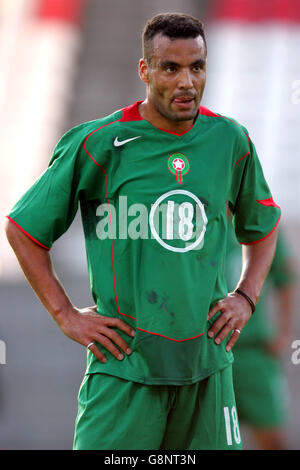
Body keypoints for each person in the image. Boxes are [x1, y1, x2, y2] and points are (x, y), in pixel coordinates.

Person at [5, 13, 281, 450]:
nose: (187, 81)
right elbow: (24, 229)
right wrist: (65, 314)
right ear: (145, 70)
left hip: (207, 368)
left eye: (197, 66)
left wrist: (245, 295)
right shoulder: (98, 142)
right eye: (171, 68)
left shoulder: (230, 140)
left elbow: (263, 225)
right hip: (125, 368)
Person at [225, 222, 296, 450]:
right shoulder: (195, 219)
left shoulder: (262, 223)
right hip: (208, 350)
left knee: (271, 435)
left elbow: (286, 277)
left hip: (252, 349)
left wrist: (283, 332)